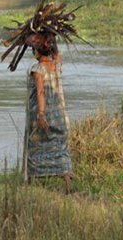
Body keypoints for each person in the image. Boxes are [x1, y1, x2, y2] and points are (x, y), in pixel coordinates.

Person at [23, 33, 74, 194]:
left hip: (44, 117)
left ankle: (30, 183)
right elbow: (57, 55)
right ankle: (68, 186)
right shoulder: (57, 65)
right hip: (60, 117)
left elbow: (40, 92)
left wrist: (42, 114)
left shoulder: (37, 69)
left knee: (35, 147)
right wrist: (51, 35)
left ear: (37, 51)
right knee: (61, 150)